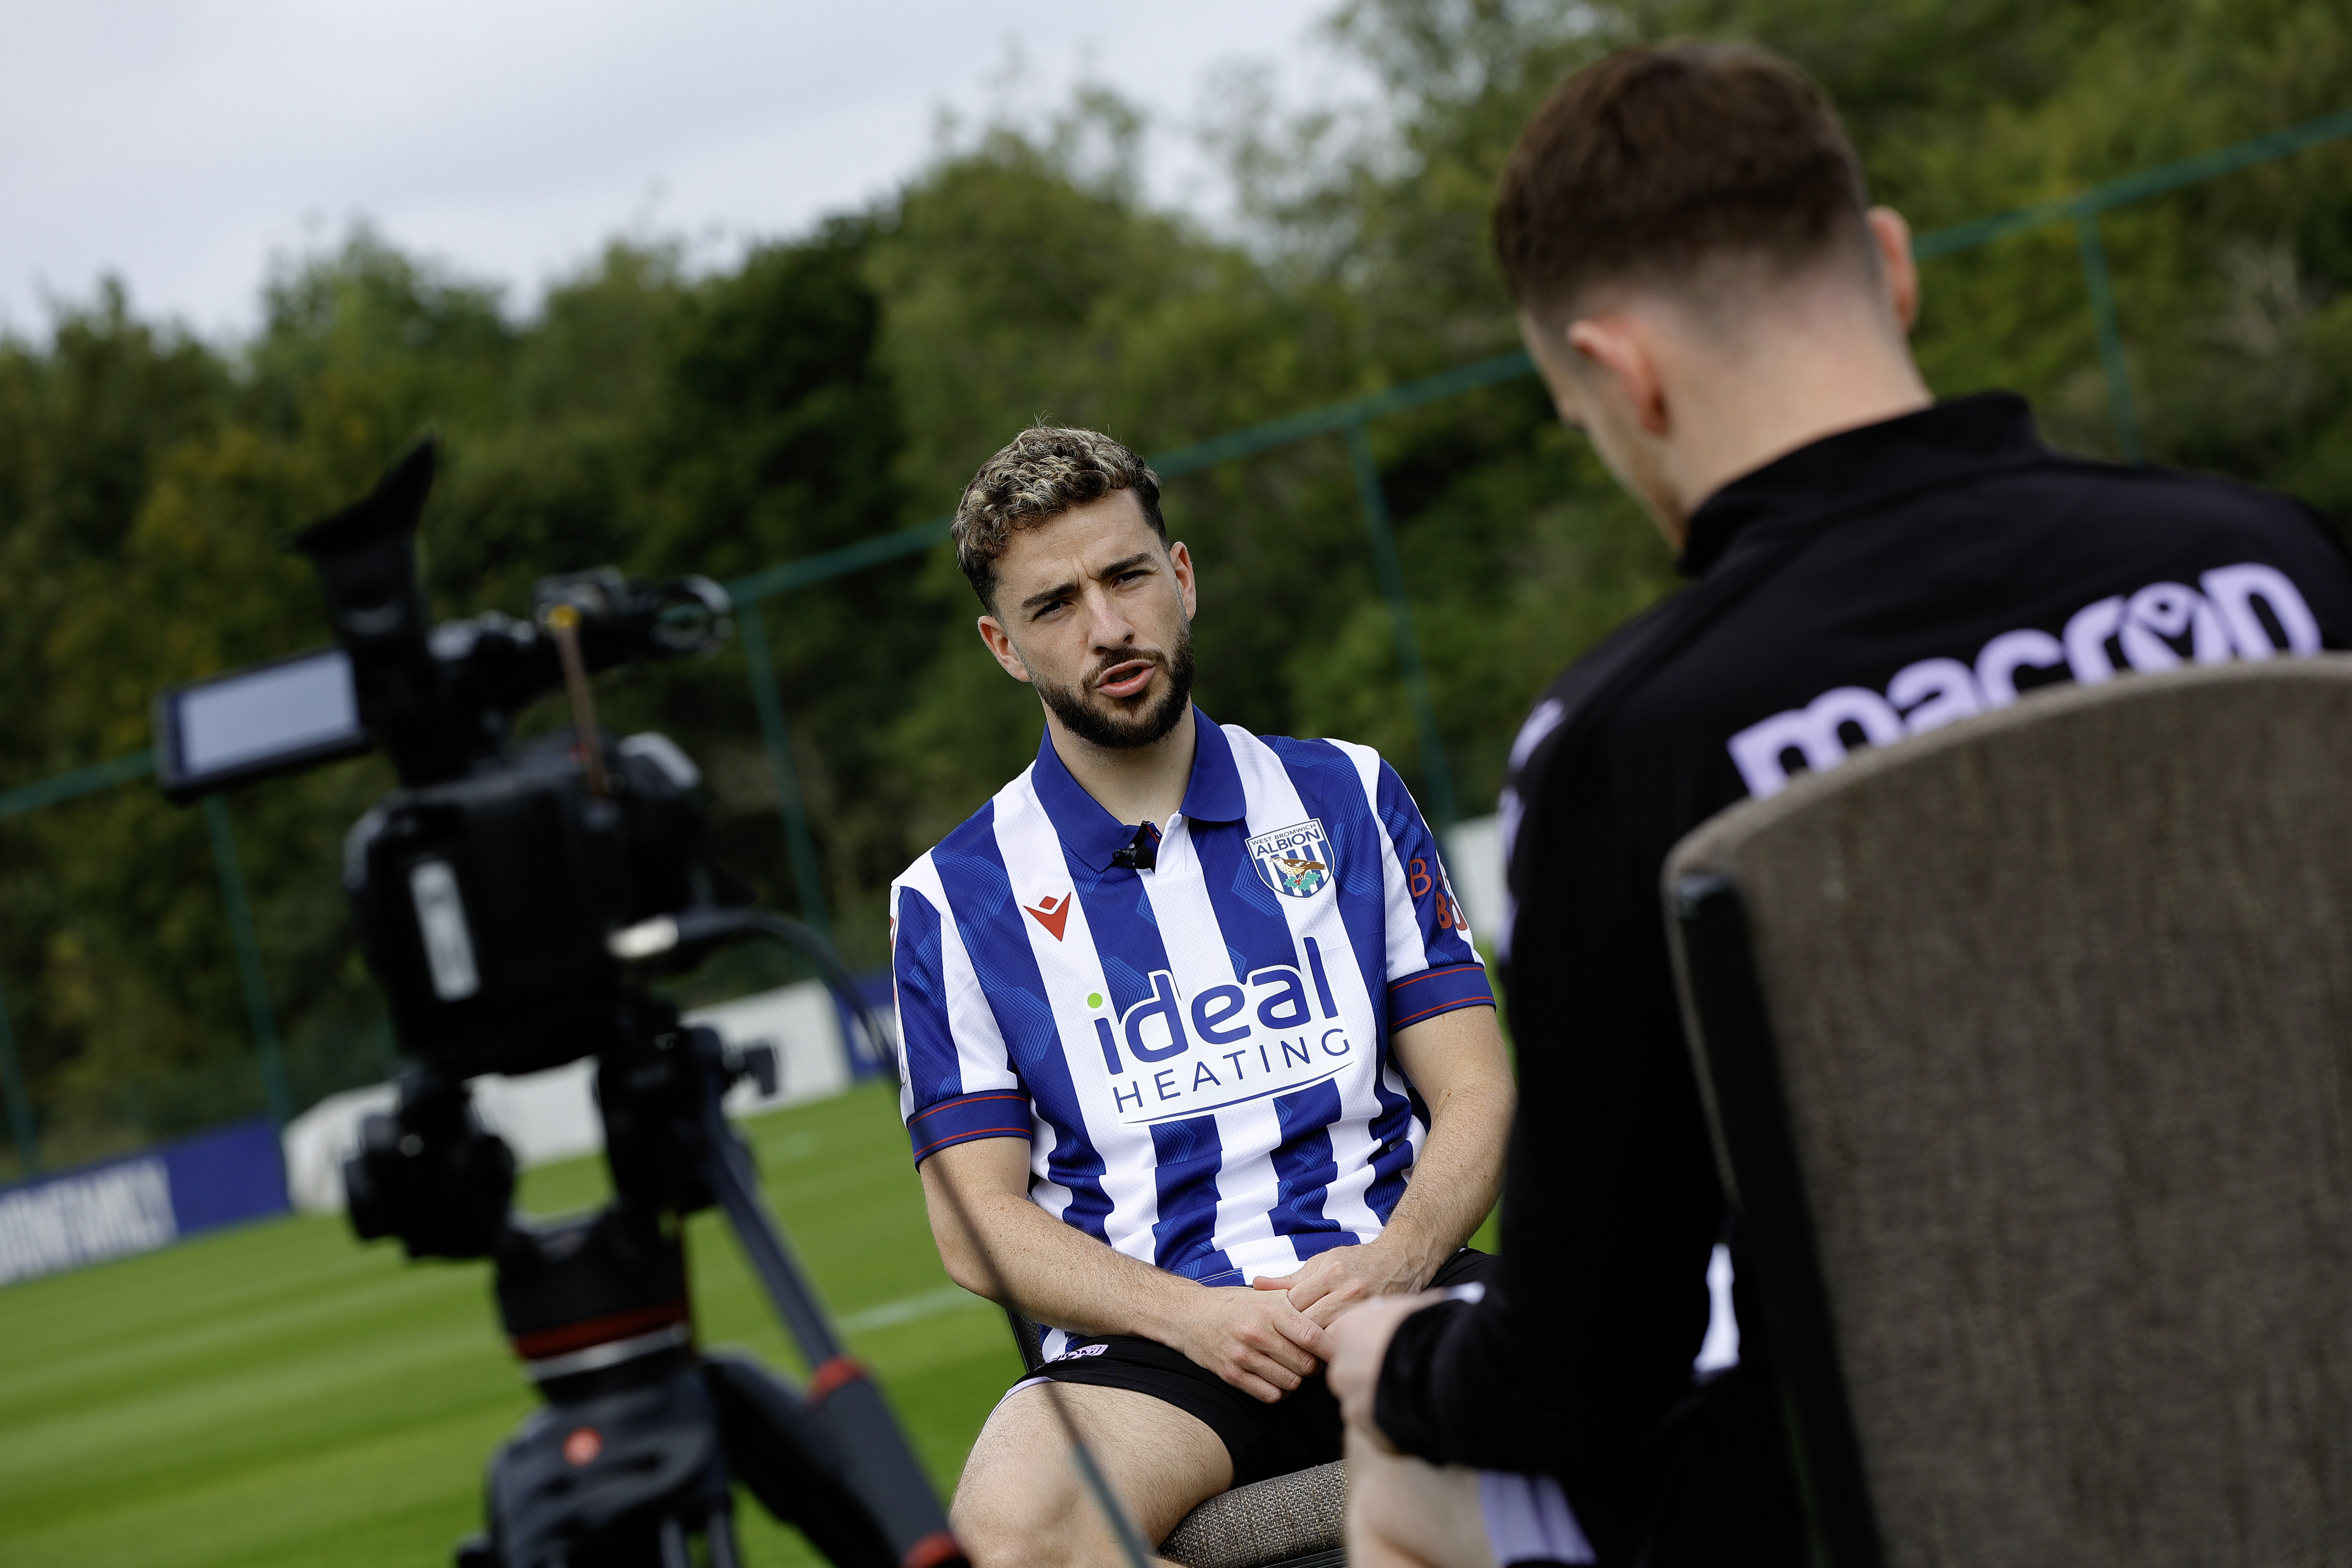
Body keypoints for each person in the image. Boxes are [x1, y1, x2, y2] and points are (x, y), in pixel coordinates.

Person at [1323, 40, 2352, 1568]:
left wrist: (1392, 1355)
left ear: (1619, 374)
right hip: (2314, 1430)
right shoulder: (2287, 571)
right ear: (1890, 263)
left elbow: (1583, 1367)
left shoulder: (1630, 745)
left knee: (1400, 1471)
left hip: (1911, 1506)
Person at [890, 425, 1517, 1567]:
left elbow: (1476, 1085)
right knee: (1014, 1529)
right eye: (1055, 606)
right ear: (1005, 647)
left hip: (1394, 1276)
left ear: (1181, 577)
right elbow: (972, 1229)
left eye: (1126, 576)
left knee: (1653, 1394)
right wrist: (1195, 1317)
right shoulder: (951, 897)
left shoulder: (1347, 793)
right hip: (1156, 1349)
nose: (1107, 627)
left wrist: (1402, 1255)